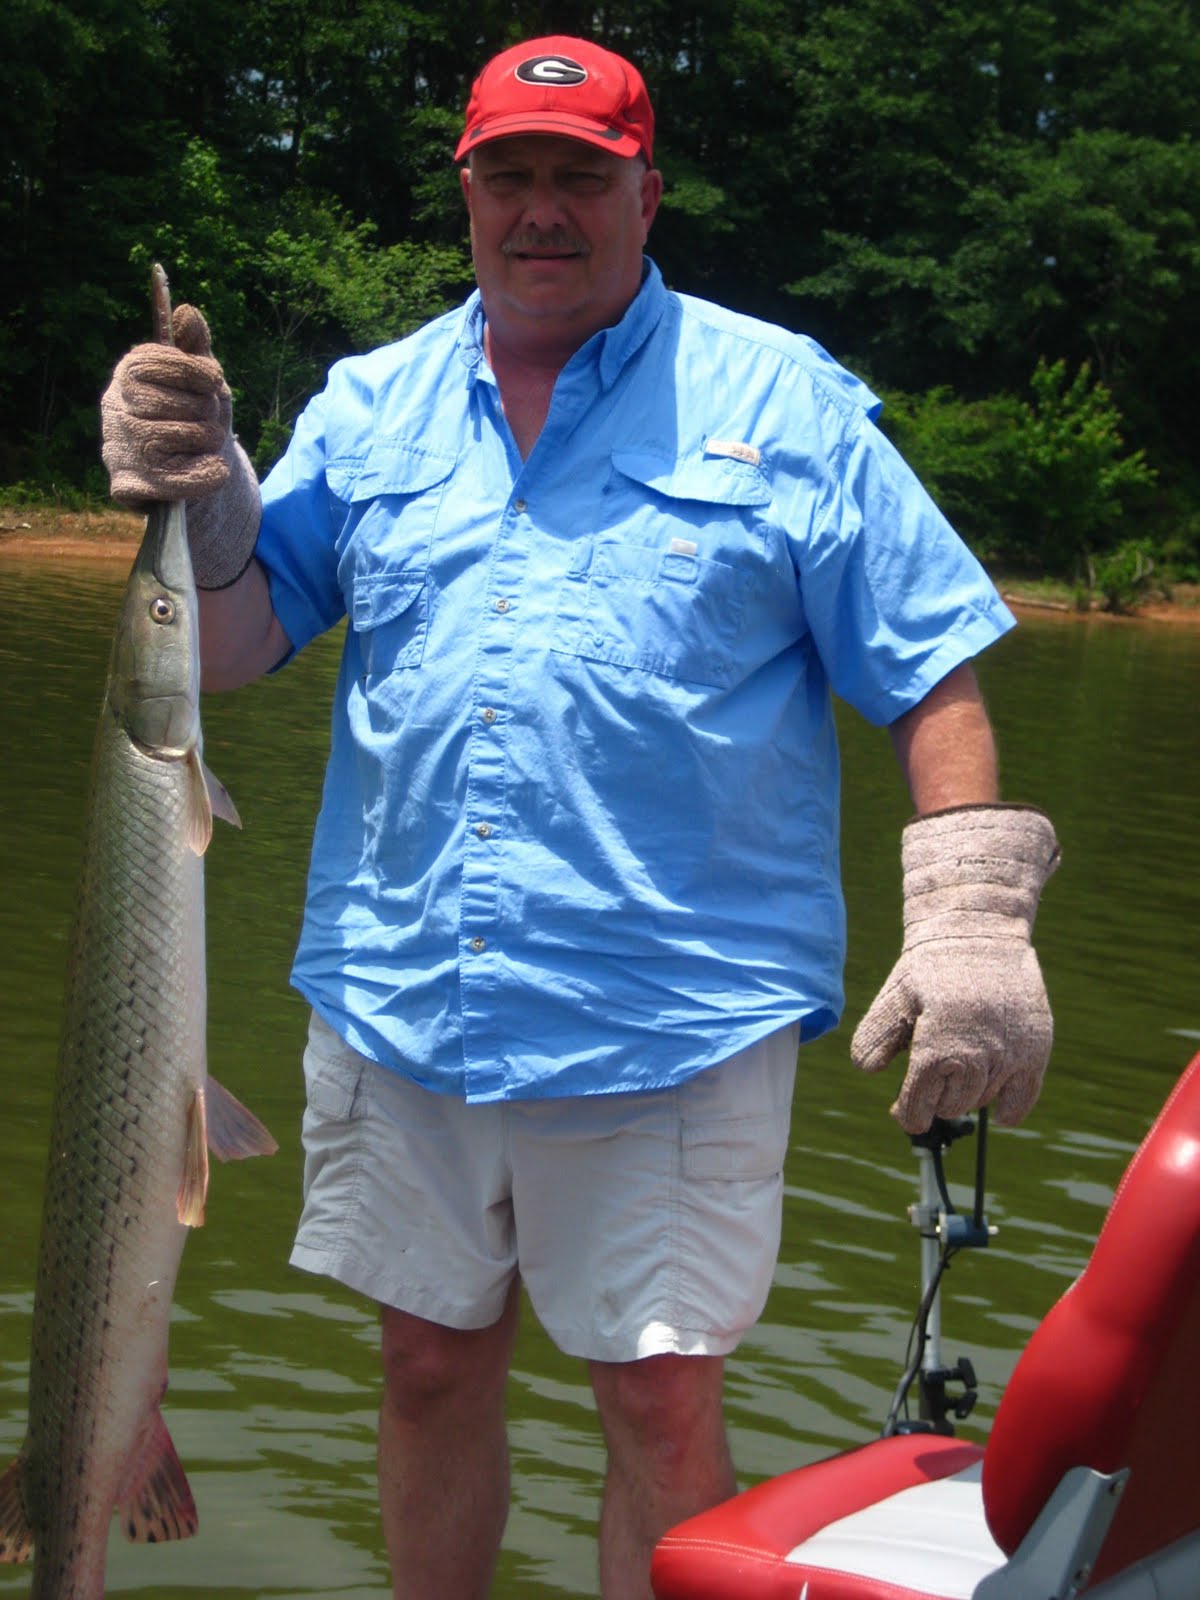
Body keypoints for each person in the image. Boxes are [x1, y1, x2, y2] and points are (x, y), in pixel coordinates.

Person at [99, 35, 1060, 1600]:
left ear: (645, 194)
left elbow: (930, 665)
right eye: (510, 175)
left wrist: (968, 913)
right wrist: (199, 501)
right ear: (466, 193)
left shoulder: (785, 400)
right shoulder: (374, 401)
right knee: (421, 1364)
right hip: (406, 992)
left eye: (580, 177)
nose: (542, 209)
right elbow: (232, 649)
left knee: (660, 1396)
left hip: (672, 1016)